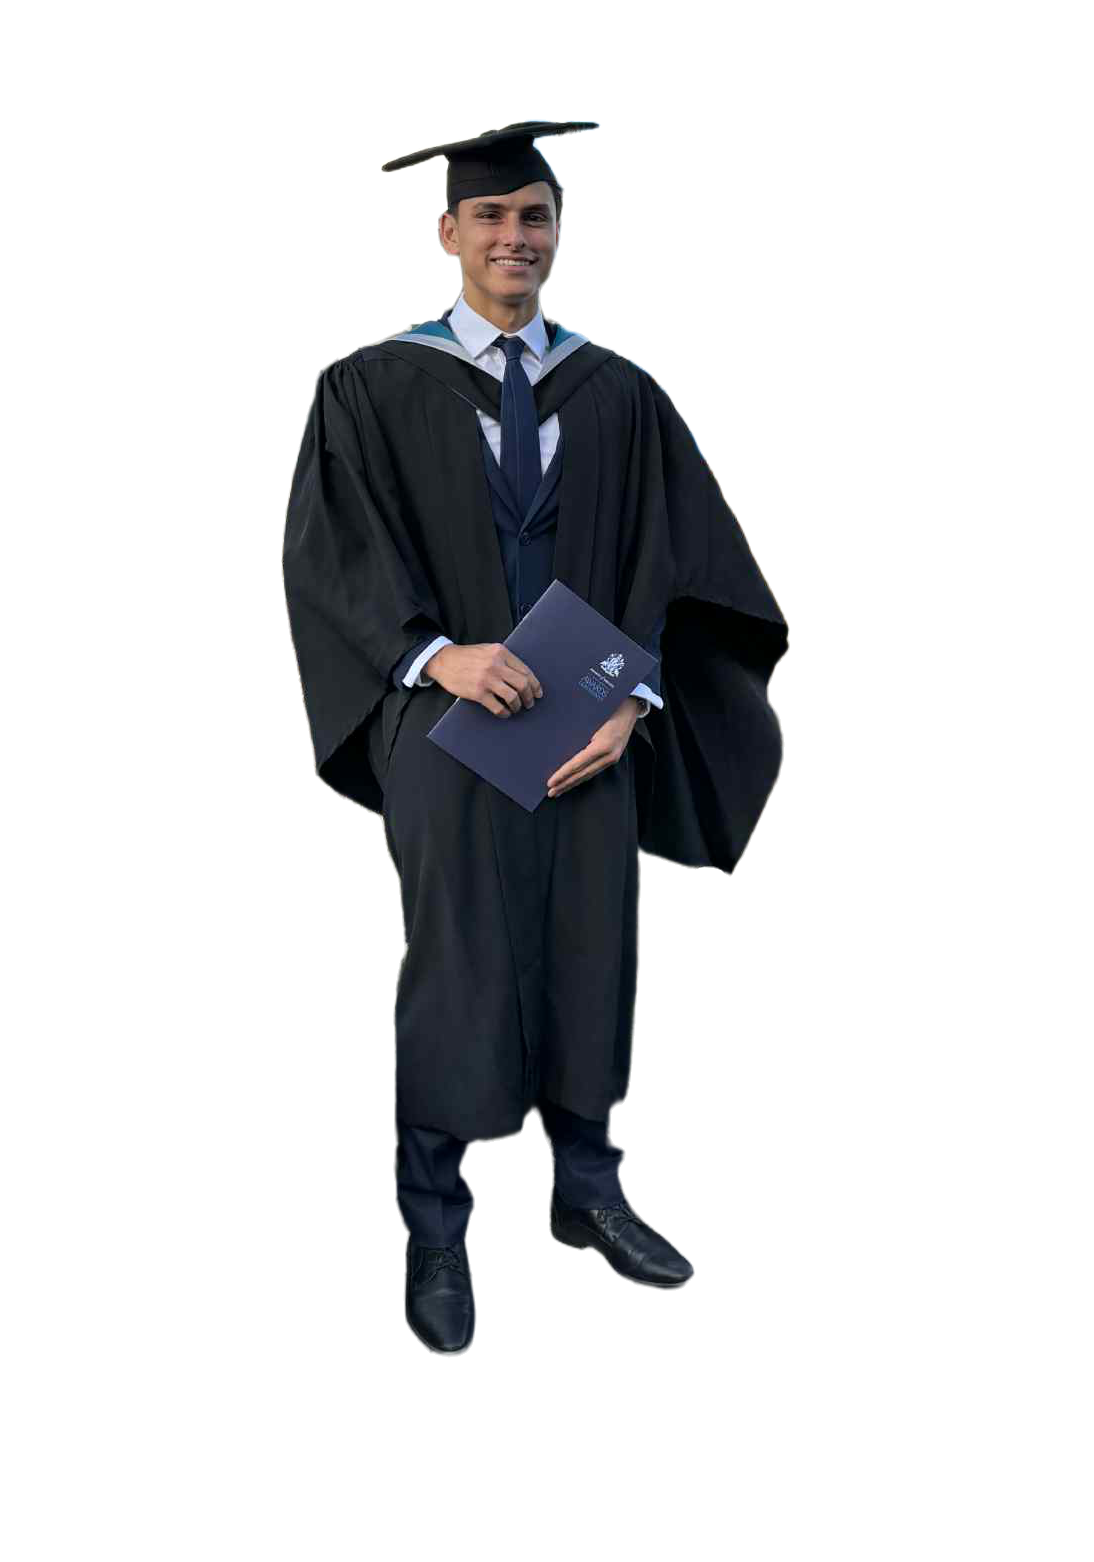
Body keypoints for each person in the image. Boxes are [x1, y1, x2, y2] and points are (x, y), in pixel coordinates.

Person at [282, 120, 788, 1357]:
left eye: (536, 217)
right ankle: (435, 1226)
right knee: (452, 951)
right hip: (443, 715)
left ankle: (588, 1183)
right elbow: (328, 558)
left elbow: (689, 567)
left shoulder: (617, 390)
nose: (514, 236)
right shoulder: (369, 383)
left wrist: (634, 700)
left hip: (591, 724)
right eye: (490, 216)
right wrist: (434, 654)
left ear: (559, 235)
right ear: (448, 229)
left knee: (590, 930)